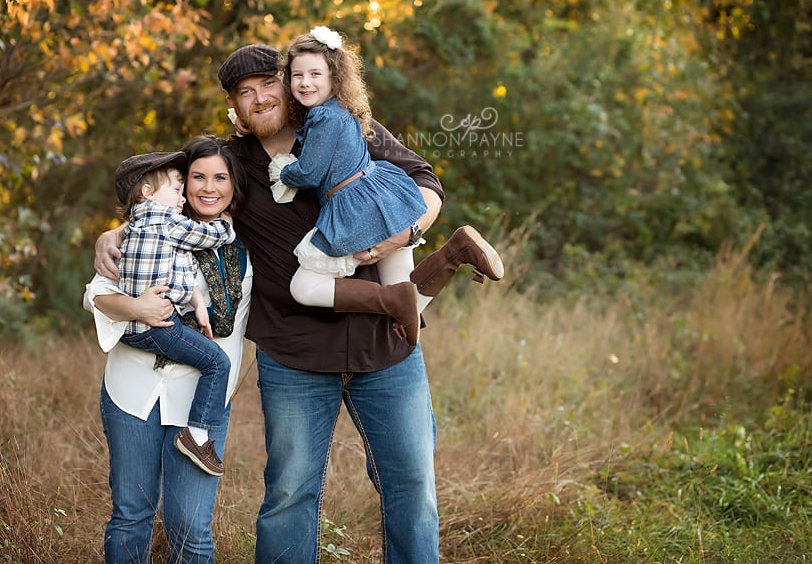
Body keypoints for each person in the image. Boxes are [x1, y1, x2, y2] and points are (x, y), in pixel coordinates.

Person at [95, 43, 502, 564]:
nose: (260, 97)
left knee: (412, 488)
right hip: (295, 353)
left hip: (386, 347)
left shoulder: (347, 123)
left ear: (290, 84)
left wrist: (396, 237)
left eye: (270, 83)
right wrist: (114, 233)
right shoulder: (233, 161)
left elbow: (426, 183)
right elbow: (173, 194)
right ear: (234, 107)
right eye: (245, 92)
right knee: (289, 495)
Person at [269, 27, 503, 346]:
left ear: (334, 76)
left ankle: (403, 293)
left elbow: (309, 173)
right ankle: (456, 251)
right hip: (384, 195)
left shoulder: (322, 118)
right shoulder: (343, 110)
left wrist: (284, 172)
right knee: (407, 300)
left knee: (304, 286)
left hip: (355, 209)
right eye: (297, 75)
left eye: (314, 73)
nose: (305, 82)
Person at [86, 136, 251, 563]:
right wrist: (134, 305)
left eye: (221, 177)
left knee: (190, 529)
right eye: (196, 177)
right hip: (132, 391)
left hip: (199, 400)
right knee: (130, 516)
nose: (207, 187)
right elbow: (97, 294)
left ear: (236, 184)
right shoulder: (149, 227)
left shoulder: (248, 242)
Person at [115, 151, 236, 476]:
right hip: (155, 326)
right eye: (176, 190)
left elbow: (179, 266)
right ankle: (197, 435)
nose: (182, 199)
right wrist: (226, 227)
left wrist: (198, 306)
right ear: (147, 193)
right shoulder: (166, 220)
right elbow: (208, 238)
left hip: (134, 330)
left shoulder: (138, 224)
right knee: (217, 362)